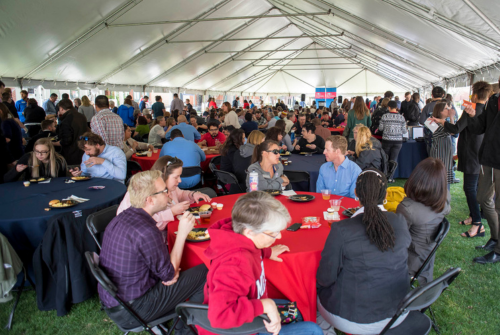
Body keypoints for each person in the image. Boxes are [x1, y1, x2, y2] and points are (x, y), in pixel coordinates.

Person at [99, 170, 208, 333]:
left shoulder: (121, 218)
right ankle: (184, 330)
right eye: (164, 191)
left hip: (116, 301)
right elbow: (170, 276)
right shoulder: (146, 230)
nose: (169, 194)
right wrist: (182, 234)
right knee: (206, 271)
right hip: (134, 310)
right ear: (149, 200)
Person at [200, 191, 323, 335]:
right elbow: (219, 316)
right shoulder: (235, 263)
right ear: (250, 232)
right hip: (238, 330)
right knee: (313, 330)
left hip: (248, 309)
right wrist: (265, 305)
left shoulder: (240, 238)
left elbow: (250, 250)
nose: (279, 236)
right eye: (273, 233)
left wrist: (267, 252)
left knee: (296, 311)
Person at [317, 169, 411, 335]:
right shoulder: (400, 221)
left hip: (352, 317)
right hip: (398, 311)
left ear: (356, 194)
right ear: (386, 195)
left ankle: (325, 330)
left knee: (315, 298)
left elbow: (325, 278)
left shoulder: (341, 229)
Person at [117, 156, 211, 234]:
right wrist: (172, 212)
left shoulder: (168, 187)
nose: (180, 181)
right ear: (164, 176)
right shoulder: (144, 191)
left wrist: (192, 194)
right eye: (176, 177)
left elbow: (180, 194)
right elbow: (148, 224)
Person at [461, 76, 500, 263]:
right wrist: (471, 114)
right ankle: (495, 238)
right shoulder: (494, 101)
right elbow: (479, 128)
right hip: (488, 159)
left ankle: (498, 250)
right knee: (483, 198)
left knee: (498, 204)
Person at [397, 158, 451, 284]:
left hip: (410, 259)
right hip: (427, 254)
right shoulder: (445, 197)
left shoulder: (408, 208)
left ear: (416, 178)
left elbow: (396, 240)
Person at [428, 101, 454, 187]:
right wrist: (451, 118)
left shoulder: (445, 122)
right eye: (446, 108)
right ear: (440, 111)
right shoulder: (430, 121)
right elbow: (450, 132)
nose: (449, 110)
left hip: (446, 153)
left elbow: (454, 131)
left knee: (446, 179)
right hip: (439, 152)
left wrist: (451, 118)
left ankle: (445, 199)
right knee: (439, 178)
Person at [56, 99, 88, 165]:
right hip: (83, 151)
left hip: (71, 154)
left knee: (72, 173)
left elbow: (66, 141)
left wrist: (53, 143)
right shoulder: (82, 116)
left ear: (61, 108)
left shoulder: (67, 120)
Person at [379, 100, 407, 168]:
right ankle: (391, 177)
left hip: (387, 140)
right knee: (394, 160)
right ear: (396, 107)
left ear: (389, 107)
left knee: (385, 159)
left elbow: (380, 128)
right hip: (398, 141)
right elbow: (404, 131)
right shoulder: (401, 117)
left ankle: (385, 174)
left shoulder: (384, 116)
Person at [420, 86, 445, 154]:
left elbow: (422, 121)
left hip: (431, 138)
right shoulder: (448, 105)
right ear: (443, 95)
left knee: (432, 161)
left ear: (432, 95)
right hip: (446, 139)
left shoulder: (428, 106)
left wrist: (434, 127)